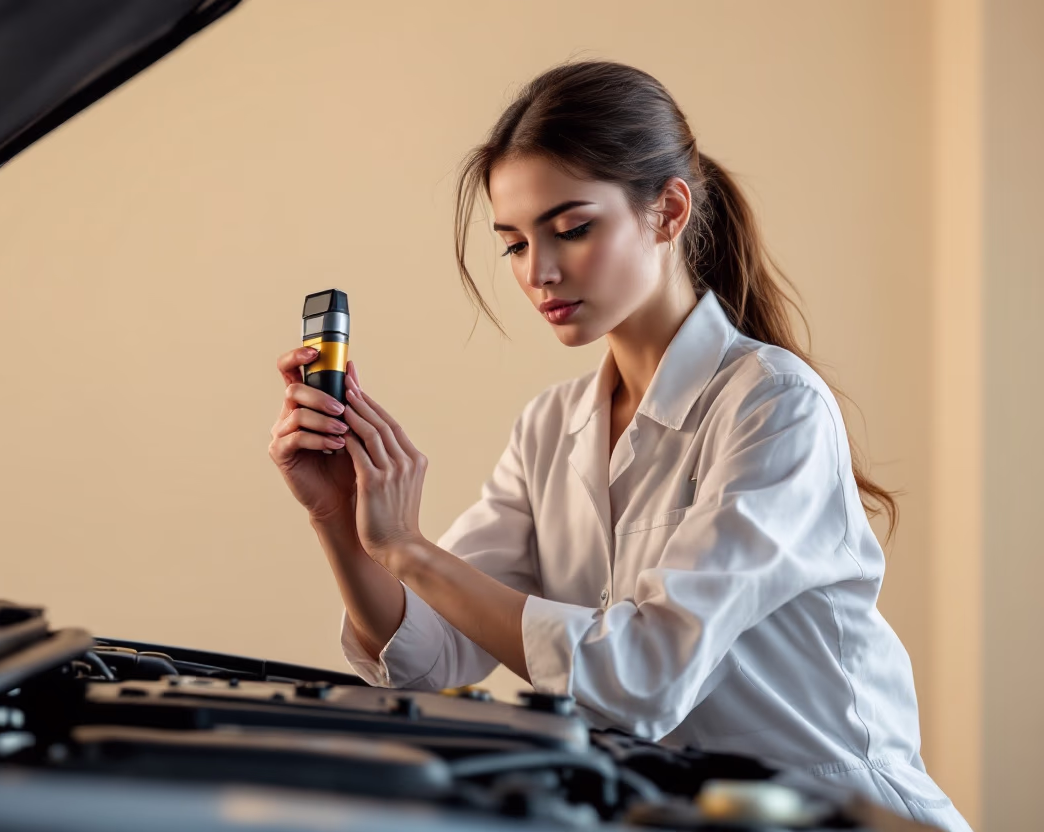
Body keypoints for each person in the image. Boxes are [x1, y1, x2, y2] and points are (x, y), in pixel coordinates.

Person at [267, 60, 970, 831]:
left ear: (667, 211)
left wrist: (409, 549)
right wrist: (342, 520)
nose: (539, 271)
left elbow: (642, 677)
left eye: (572, 229)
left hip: (842, 818)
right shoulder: (551, 427)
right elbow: (429, 659)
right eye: (513, 244)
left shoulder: (773, 405)